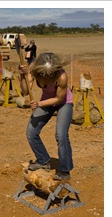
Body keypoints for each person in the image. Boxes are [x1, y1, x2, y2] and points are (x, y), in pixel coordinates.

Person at [19, 52, 74, 180]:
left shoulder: (62, 76)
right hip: (45, 101)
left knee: (61, 135)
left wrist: (39, 103)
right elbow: (25, 91)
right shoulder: (34, 68)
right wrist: (23, 75)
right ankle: (43, 160)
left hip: (63, 103)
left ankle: (65, 170)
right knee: (31, 132)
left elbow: (59, 99)